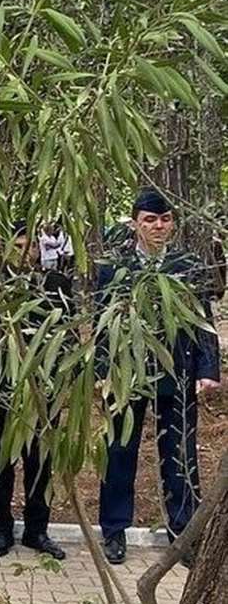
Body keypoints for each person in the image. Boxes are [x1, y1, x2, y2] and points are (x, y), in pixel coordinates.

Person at [97, 188, 221, 565]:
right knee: (119, 452)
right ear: (135, 223)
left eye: (165, 219)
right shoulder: (116, 267)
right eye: (150, 220)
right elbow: (102, 324)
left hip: (176, 371)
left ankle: (181, 534)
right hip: (127, 374)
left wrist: (208, 370)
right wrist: (103, 372)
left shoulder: (186, 265)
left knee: (180, 454)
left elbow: (203, 321)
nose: (158, 226)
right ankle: (114, 531)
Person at [0, 227, 68, 560]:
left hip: (43, 392)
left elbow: (66, 340)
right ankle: (2, 529)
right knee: (0, 460)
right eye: (19, 246)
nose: (26, 254)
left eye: (32, 247)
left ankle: (37, 530)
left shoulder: (56, 286)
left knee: (40, 461)